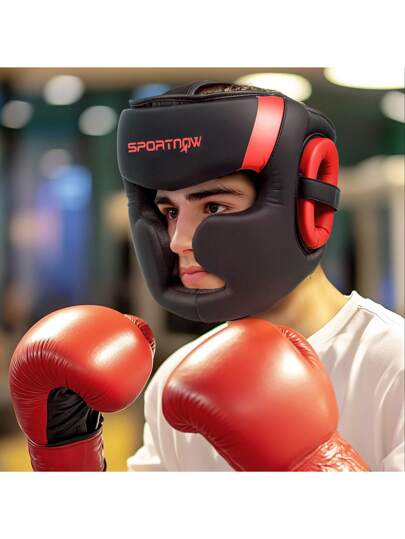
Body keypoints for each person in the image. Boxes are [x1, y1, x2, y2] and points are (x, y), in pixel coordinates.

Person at [117, 81, 404, 471]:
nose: (178, 241)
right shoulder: (176, 378)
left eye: (214, 207)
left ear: (307, 212)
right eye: (170, 212)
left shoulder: (393, 365)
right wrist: (70, 450)